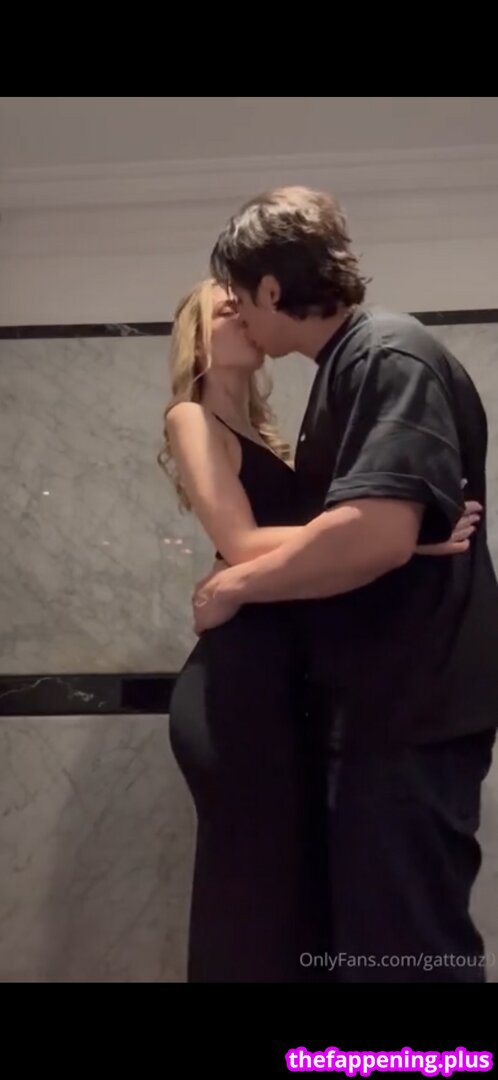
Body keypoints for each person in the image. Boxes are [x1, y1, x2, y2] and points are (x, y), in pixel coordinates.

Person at [192, 186, 498, 983]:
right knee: (378, 947)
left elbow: (375, 534)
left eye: (239, 296)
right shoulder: (350, 367)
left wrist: (238, 586)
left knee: (407, 953)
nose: (238, 315)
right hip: (385, 710)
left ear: (270, 289)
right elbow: (369, 530)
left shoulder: (385, 355)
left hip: (410, 708)